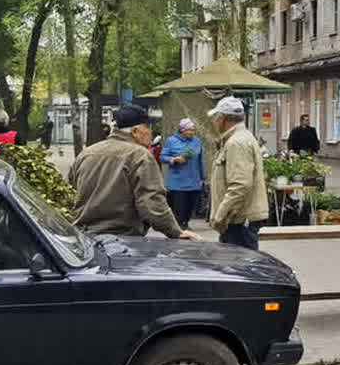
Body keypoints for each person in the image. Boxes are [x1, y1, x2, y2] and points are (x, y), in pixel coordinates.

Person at [67, 104, 197, 240]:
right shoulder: (140, 155)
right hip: (122, 239)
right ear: (135, 131)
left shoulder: (87, 153)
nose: (151, 133)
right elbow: (152, 201)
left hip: (83, 238)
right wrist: (176, 232)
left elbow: (69, 195)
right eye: (148, 127)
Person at [208, 95, 270, 249]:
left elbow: (240, 185)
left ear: (223, 118)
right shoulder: (240, 138)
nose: (214, 121)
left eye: (216, 117)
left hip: (238, 221)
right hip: (239, 220)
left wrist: (220, 216)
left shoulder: (236, 143)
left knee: (238, 263)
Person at [160, 117, 206, 228]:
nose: (192, 132)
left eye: (193, 130)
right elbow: (162, 157)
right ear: (182, 130)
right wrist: (174, 159)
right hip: (178, 182)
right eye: (189, 130)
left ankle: (185, 222)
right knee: (179, 207)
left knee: (191, 205)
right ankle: (179, 226)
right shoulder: (171, 141)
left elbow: (200, 160)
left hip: (193, 180)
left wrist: (202, 177)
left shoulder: (196, 141)